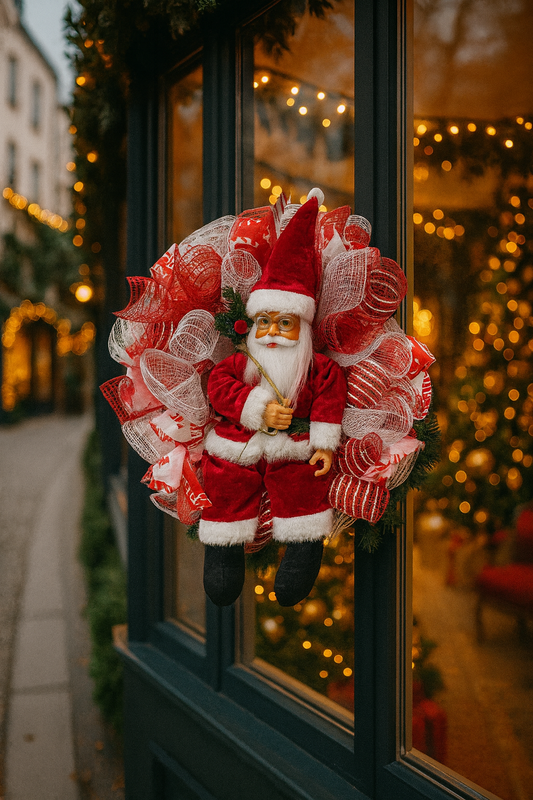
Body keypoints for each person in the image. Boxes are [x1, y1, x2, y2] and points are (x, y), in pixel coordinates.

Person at [199, 196, 347, 606]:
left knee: (302, 486)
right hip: (239, 446)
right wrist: (253, 407)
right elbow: (218, 386)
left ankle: (302, 551)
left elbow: (330, 397)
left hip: (291, 450)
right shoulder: (241, 362)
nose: (272, 333)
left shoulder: (316, 368)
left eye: (285, 323)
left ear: (302, 325)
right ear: (252, 324)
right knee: (225, 480)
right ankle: (222, 555)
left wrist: (322, 445)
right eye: (264, 322)